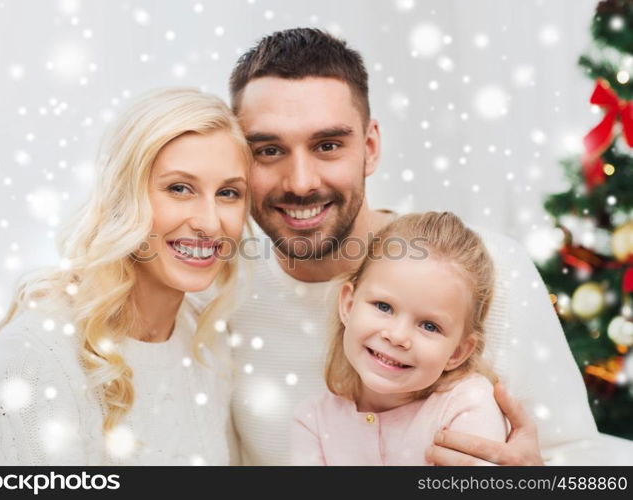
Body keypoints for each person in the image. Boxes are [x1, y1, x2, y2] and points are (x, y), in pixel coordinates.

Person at [224, 28, 599, 465]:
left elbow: (585, 457)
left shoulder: (491, 268)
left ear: (370, 146)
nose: (302, 182)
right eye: (269, 151)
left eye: (328, 146)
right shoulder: (218, 297)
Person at [0, 88, 252, 465]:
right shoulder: (34, 358)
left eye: (228, 193)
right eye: (179, 188)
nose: (210, 223)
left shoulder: (206, 340)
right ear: (122, 196)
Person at [291, 212, 507, 465]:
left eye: (429, 326)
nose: (397, 337)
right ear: (349, 305)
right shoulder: (313, 421)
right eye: (383, 307)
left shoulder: (467, 405)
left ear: (458, 352)